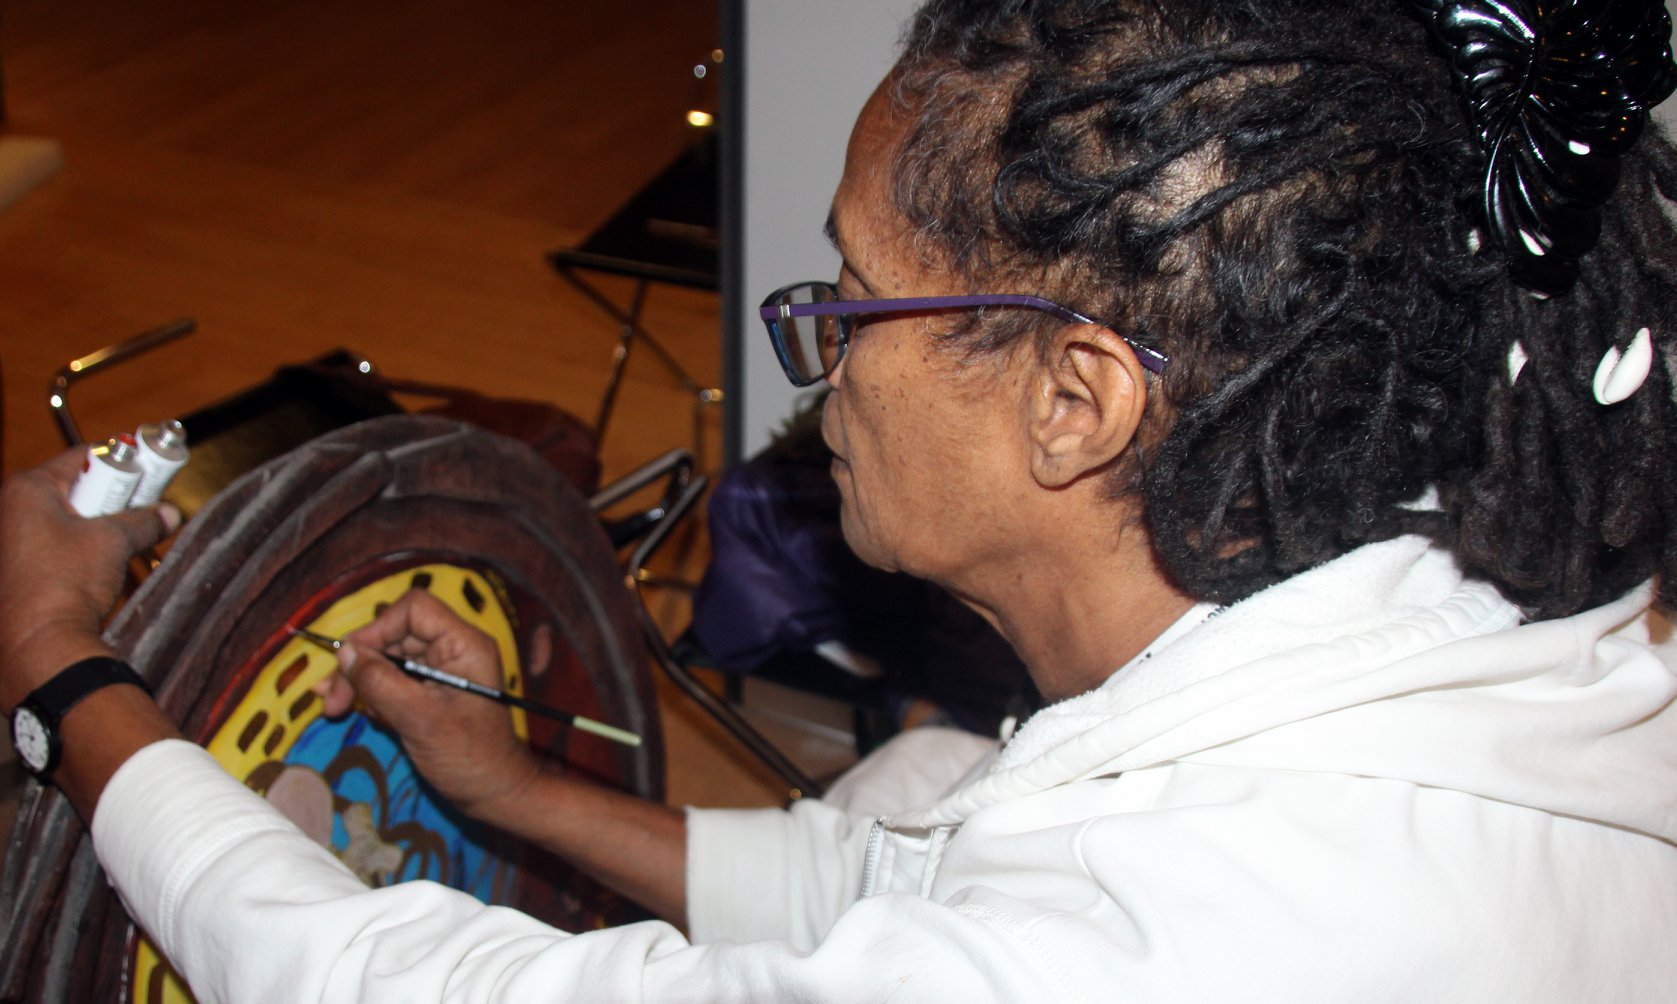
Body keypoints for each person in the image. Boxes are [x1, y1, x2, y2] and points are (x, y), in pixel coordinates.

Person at [6, 0, 1677, 998]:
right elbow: (920, 893)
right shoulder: (1434, 567)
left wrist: (65, 662)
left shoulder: (1176, 953)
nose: (816, 368)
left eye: (848, 299)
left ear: (1075, 399)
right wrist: (514, 792)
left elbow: (382, 981)